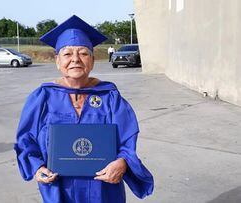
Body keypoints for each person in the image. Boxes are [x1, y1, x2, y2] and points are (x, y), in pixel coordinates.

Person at [14, 15, 154, 203]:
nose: (76, 59)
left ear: (92, 60)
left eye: (83, 53)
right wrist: (37, 167)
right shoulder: (42, 97)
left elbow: (127, 140)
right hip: (58, 190)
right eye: (67, 54)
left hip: (104, 191)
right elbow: (26, 141)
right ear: (57, 61)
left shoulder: (110, 97)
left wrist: (122, 163)